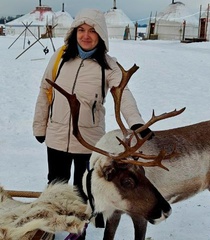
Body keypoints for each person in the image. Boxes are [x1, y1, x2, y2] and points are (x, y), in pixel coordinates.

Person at [33, 8, 152, 240]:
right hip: (56, 134)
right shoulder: (60, 57)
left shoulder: (108, 65)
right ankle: (52, 226)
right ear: (74, 32)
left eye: (92, 31)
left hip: (88, 141)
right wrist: (40, 126)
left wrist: (136, 122)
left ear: (101, 35)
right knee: (55, 183)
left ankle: (77, 232)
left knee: (82, 189)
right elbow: (45, 90)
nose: (85, 36)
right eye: (81, 30)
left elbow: (122, 93)